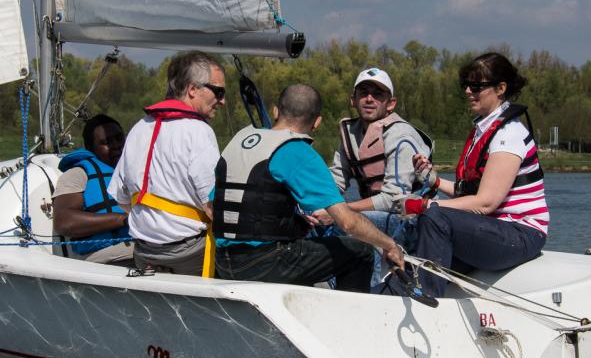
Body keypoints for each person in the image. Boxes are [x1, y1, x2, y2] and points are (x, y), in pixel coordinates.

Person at [212, 84, 405, 291]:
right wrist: (389, 245)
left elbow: (215, 205)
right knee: (360, 252)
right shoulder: (298, 150)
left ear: (275, 111)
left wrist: (290, 223)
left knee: (301, 243)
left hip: (223, 261)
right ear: (317, 122)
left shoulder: (239, 141)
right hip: (263, 264)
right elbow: (348, 223)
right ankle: (348, 311)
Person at [398, 52, 549, 296]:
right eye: (465, 85)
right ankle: (388, 296)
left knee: (435, 219)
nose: (468, 91)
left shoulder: (508, 133)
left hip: (521, 234)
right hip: (492, 229)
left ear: (501, 88)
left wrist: (424, 205)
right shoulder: (484, 128)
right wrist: (433, 180)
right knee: (407, 256)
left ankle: (426, 300)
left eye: (476, 86)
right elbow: (469, 193)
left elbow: (485, 203)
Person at [109, 51, 226, 275]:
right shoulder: (198, 131)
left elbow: (122, 198)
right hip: (191, 254)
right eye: (218, 92)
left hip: (145, 252)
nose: (222, 101)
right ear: (193, 89)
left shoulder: (139, 127)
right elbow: (213, 206)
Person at [330, 67, 434, 288]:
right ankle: (326, 286)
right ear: (353, 99)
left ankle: (372, 289)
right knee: (314, 221)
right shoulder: (350, 135)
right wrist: (317, 207)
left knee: (351, 223)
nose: (369, 99)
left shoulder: (401, 135)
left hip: (409, 221)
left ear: (390, 103)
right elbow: (336, 180)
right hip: (375, 213)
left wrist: (341, 210)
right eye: (363, 93)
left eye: (378, 94)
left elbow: (394, 199)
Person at [51, 114, 131, 263]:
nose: (116, 145)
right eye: (106, 142)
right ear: (91, 148)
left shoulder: (136, 172)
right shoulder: (78, 174)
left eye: (119, 138)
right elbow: (64, 221)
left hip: (147, 252)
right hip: (107, 260)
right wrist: (123, 219)